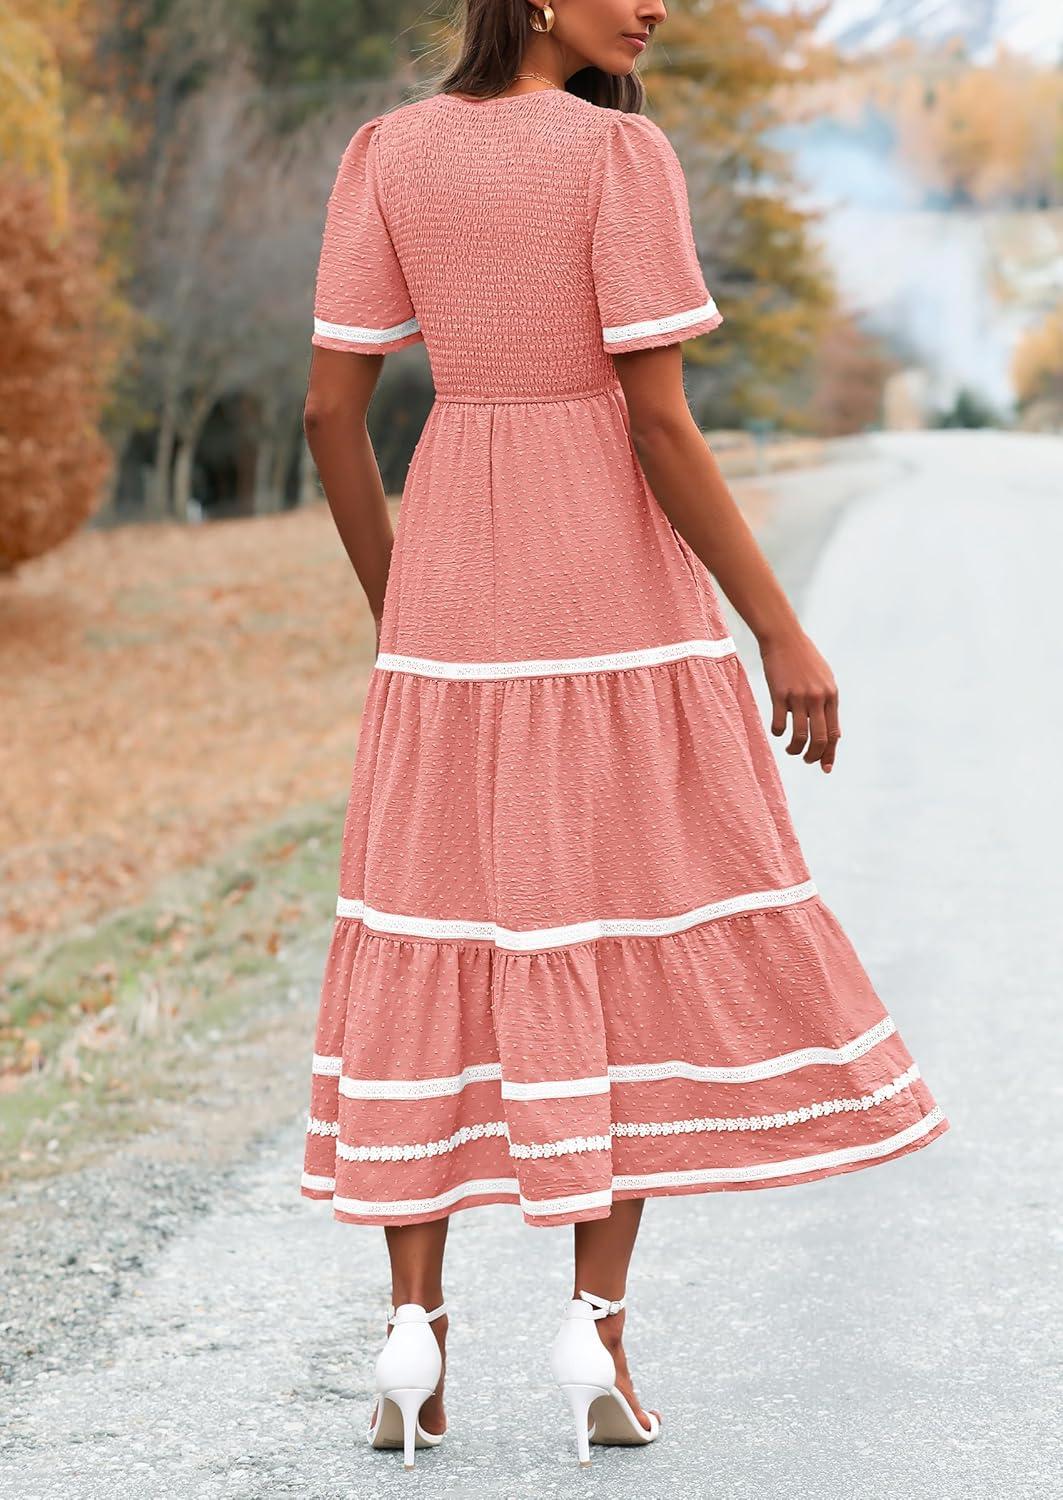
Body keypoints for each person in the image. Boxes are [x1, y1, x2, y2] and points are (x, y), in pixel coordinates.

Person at [299, 0, 949, 1472]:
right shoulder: (616, 158)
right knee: (615, 923)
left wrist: (403, 609)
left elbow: (333, 413)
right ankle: (596, 1331)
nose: (656, 2)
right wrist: (779, 628)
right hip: (612, 596)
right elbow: (657, 421)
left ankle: (413, 1337)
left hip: (451, 595)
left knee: (436, 924)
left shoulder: (386, 152)